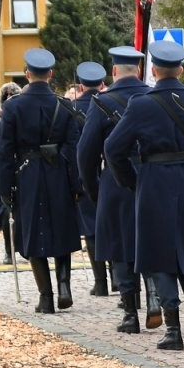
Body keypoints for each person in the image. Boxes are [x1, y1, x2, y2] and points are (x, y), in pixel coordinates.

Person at [104, 40, 184, 348]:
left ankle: (173, 330)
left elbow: (113, 149)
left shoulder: (141, 104)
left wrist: (132, 182)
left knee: (158, 254)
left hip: (153, 183)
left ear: (152, 70)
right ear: (180, 69)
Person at [0, 48, 83, 313]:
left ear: (27, 75)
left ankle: (46, 297)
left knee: (33, 232)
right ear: (51, 74)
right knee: (61, 227)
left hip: (27, 174)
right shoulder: (64, 105)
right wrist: (76, 184)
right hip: (58, 172)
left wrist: (4, 189)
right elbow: (73, 148)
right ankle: (65, 285)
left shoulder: (12, 107)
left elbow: (5, 151)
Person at [77, 47, 150, 331]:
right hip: (152, 176)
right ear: (140, 71)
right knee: (150, 241)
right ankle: (156, 300)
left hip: (115, 182)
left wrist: (95, 189)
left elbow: (86, 153)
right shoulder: (153, 96)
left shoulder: (103, 101)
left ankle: (131, 313)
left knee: (121, 246)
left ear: (115, 72)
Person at [74, 62, 110, 296]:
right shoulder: (110, 103)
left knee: (91, 229)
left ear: (80, 86)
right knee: (114, 225)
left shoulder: (73, 107)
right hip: (110, 171)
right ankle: (118, 277)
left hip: (87, 171)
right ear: (103, 84)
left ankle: (100, 282)